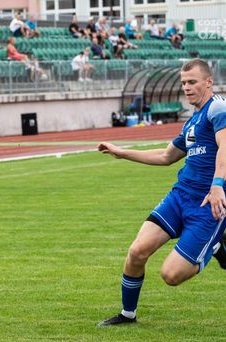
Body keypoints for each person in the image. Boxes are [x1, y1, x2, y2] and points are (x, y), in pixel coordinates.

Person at [97, 59, 226, 326]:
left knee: (171, 275)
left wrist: (217, 185)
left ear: (209, 82)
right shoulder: (191, 122)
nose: (186, 87)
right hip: (179, 197)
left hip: (207, 204)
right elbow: (167, 156)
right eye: (184, 83)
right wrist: (122, 153)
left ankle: (216, 246)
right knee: (137, 251)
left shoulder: (218, 108)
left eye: (192, 82)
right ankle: (127, 314)